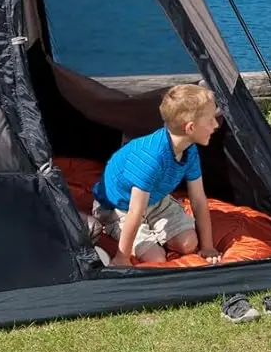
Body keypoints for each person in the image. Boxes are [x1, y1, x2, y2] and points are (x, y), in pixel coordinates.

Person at [92, 84, 222, 267]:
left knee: (189, 244)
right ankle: (115, 231)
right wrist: (122, 258)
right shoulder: (150, 158)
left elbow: (198, 199)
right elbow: (135, 211)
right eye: (210, 120)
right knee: (156, 258)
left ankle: (156, 231)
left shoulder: (189, 149)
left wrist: (208, 246)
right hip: (119, 207)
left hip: (154, 200)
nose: (216, 125)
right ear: (190, 128)